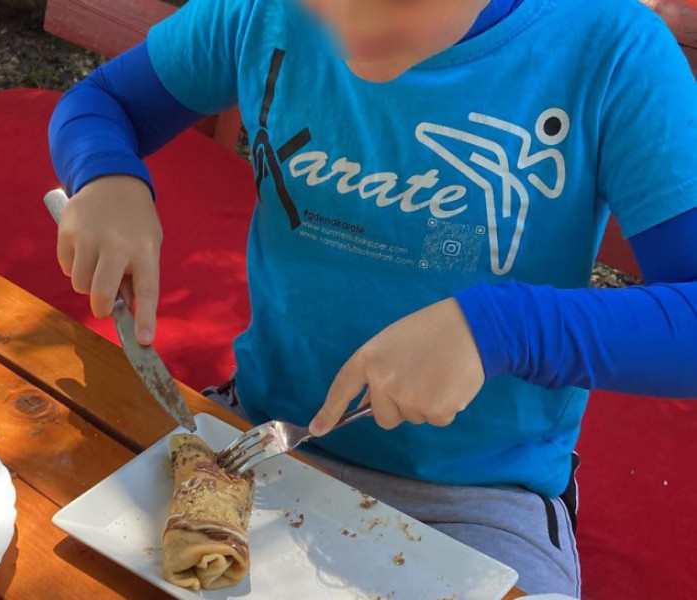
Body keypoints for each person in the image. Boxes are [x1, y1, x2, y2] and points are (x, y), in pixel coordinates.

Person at [48, 0, 697, 593]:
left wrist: (501, 329)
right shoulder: (265, 13)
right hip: (256, 440)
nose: (348, 21)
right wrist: (104, 176)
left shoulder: (611, 49)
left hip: (479, 499)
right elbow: (101, 103)